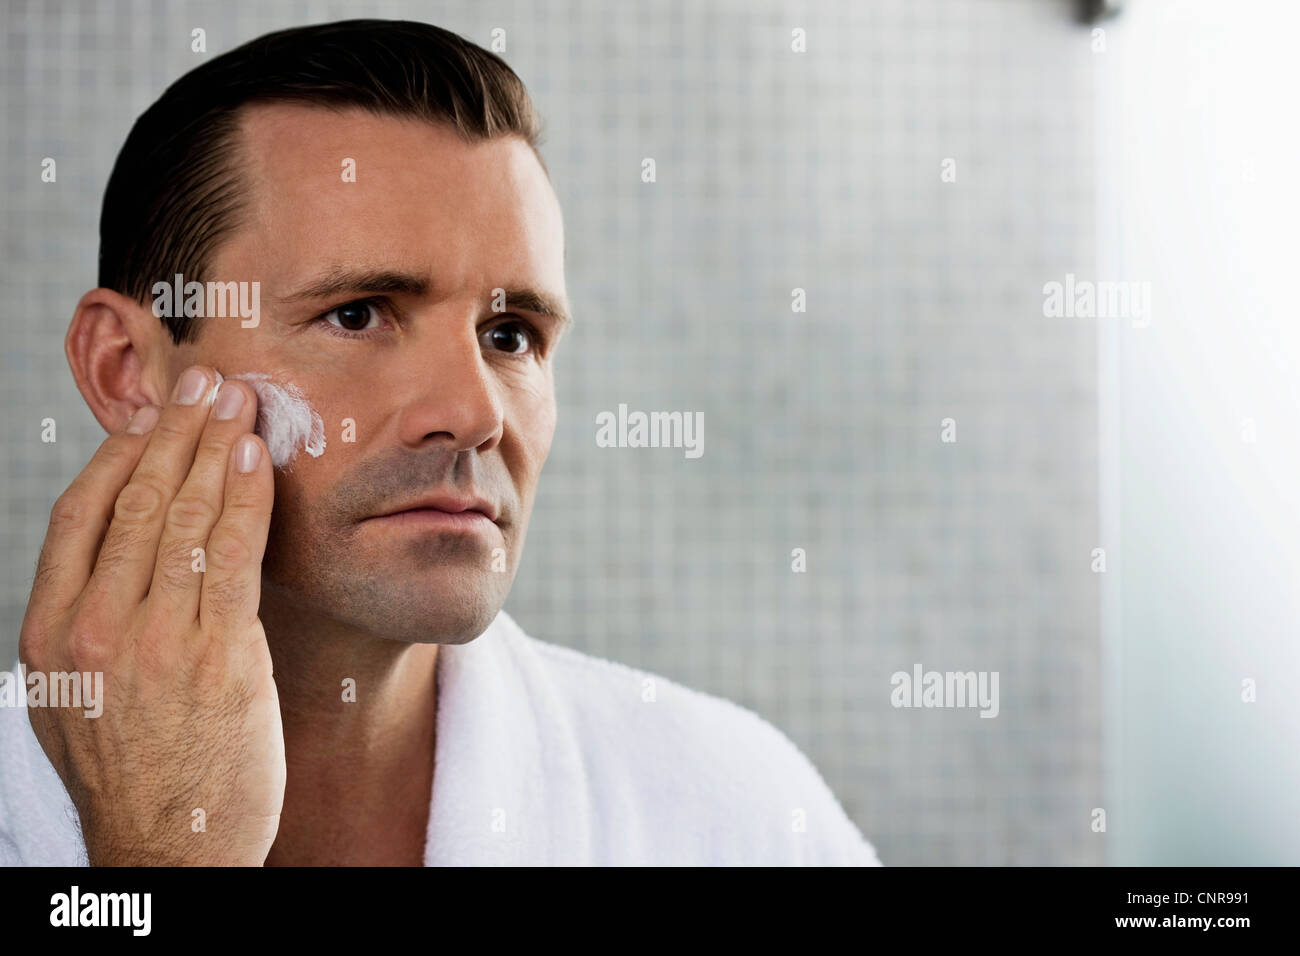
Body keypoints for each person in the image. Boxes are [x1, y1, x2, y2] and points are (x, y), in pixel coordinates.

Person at [0, 18, 881, 866]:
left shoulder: (739, 815)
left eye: (511, 335)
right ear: (127, 371)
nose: (474, 413)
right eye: (357, 315)